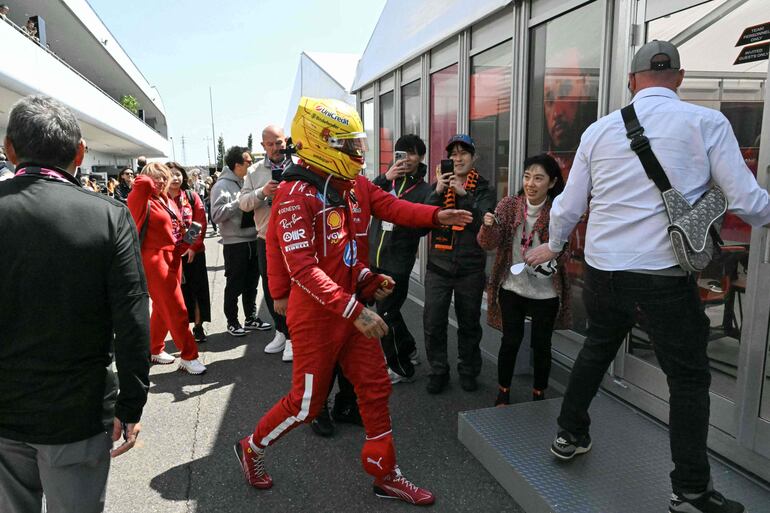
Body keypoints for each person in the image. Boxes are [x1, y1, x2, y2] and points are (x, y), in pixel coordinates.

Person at [525, 41, 770, 513]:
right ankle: (692, 491)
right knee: (689, 379)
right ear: (679, 77)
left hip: (603, 272)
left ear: (633, 81)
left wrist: (554, 247)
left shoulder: (599, 131)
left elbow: (569, 206)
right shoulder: (706, 123)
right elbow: (748, 202)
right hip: (663, 277)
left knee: (597, 349)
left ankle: (569, 434)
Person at [233, 97, 472, 505]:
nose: (358, 152)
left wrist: (432, 219)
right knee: (306, 404)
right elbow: (304, 270)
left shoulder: (351, 184)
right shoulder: (294, 195)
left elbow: (376, 225)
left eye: (357, 142)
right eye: (348, 144)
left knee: (376, 388)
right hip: (319, 314)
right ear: (321, 143)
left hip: (349, 308)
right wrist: (351, 306)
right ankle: (251, 448)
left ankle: (386, 475)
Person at [0, 95, 149, 513]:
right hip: (78, 412)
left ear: (9, 149)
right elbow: (133, 316)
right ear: (80, 153)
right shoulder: (108, 215)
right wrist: (132, 401)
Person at [477, 154, 570, 405]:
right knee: (510, 341)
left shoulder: (558, 211)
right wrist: (488, 226)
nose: (531, 183)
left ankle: (539, 393)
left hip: (546, 291)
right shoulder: (509, 205)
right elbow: (488, 244)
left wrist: (552, 255)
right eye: (527, 176)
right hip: (512, 286)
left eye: (539, 178)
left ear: (551, 183)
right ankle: (503, 392)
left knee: (542, 345)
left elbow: (566, 253)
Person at [422, 134, 495, 394]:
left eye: (463, 153)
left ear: (474, 157)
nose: (458, 158)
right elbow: (423, 220)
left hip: (470, 268)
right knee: (433, 321)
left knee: (469, 323)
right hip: (438, 266)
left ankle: (468, 370)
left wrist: (465, 195)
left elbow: (482, 225)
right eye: (452, 154)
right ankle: (438, 370)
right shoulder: (438, 187)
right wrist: (438, 191)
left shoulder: (484, 188)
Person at [127, 162, 206, 374]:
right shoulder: (141, 194)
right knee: (176, 308)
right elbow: (142, 182)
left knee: (164, 309)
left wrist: (187, 242)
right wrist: (149, 172)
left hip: (172, 256)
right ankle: (189, 356)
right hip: (154, 258)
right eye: (157, 177)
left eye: (164, 176)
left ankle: (154, 348)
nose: (162, 180)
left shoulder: (164, 199)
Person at [369, 134, 432, 383]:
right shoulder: (385, 182)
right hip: (374, 256)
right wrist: (386, 178)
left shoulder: (425, 190)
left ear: (421, 158)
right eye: (401, 153)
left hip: (398, 261)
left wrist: (403, 216)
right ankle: (408, 349)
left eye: (413, 154)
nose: (407, 159)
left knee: (386, 314)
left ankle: (400, 367)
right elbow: (364, 197)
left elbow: (425, 225)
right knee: (388, 310)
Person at [240, 125, 293, 361]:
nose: (275, 148)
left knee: (297, 288)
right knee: (272, 289)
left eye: (279, 143)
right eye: (270, 144)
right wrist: (262, 192)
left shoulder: (300, 165)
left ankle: (294, 337)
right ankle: (281, 331)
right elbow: (242, 204)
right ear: (262, 146)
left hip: (296, 238)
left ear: (286, 141)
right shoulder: (254, 171)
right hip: (266, 238)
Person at [211, 147, 271, 336]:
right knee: (235, 284)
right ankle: (232, 321)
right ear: (237, 165)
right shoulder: (221, 186)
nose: (251, 164)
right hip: (234, 243)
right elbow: (215, 214)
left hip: (254, 238)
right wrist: (240, 202)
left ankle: (251, 318)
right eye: (248, 161)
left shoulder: (249, 180)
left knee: (252, 283)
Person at [166, 162, 211, 343]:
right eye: (171, 174)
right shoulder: (160, 199)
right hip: (170, 254)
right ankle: (180, 330)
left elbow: (199, 221)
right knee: (177, 295)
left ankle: (198, 327)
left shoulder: (191, 197)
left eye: (178, 174)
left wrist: (191, 246)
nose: (175, 177)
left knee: (197, 291)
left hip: (194, 253)